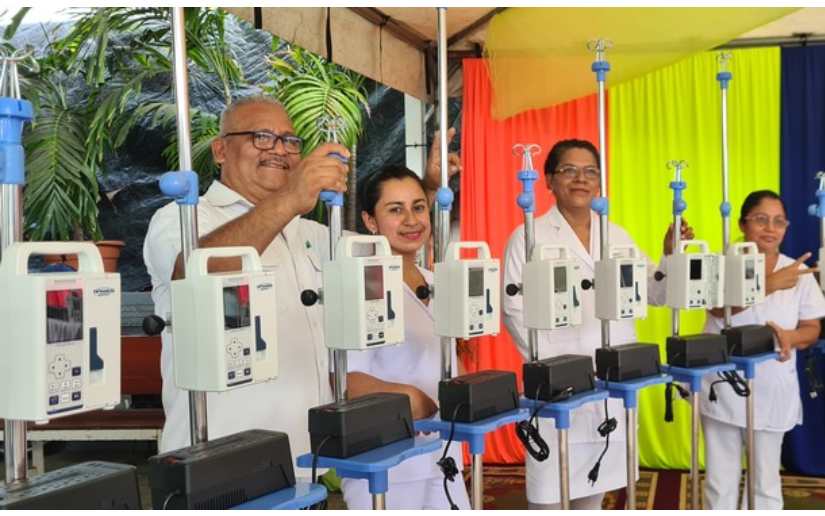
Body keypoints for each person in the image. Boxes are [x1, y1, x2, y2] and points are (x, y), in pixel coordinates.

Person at [143, 95, 456, 459]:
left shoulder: (309, 233)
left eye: (290, 141)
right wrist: (291, 198)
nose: (279, 150)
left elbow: (393, 245)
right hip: (219, 456)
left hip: (304, 458)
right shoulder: (182, 219)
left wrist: (427, 190)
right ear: (220, 150)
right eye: (262, 137)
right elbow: (194, 271)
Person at [502, 138, 690, 509]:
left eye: (590, 171)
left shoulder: (616, 235)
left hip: (612, 383)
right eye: (569, 170)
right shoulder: (528, 236)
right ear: (548, 180)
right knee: (550, 498)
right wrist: (555, 369)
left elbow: (654, 293)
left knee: (595, 494)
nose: (581, 179)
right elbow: (513, 309)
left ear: (600, 181)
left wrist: (670, 255)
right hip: (559, 386)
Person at [340, 165, 471, 510]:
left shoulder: (436, 280)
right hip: (387, 463)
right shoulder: (363, 286)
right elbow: (347, 381)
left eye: (418, 207)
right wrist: (419, 400)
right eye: (395, 210)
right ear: (370, 221)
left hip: (443, 452)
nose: (411, 220)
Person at [700, 190, 825, 510]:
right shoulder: (721, 263)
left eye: (779, 221)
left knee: (765, 483)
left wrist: (790, 337)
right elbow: (718, 309)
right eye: (761, 219)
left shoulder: (798, 271)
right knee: (719, 481)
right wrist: (769, 284)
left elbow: (812, 328)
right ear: (743, 224)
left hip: (773, 387)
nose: (771, 228)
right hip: (723, 385)